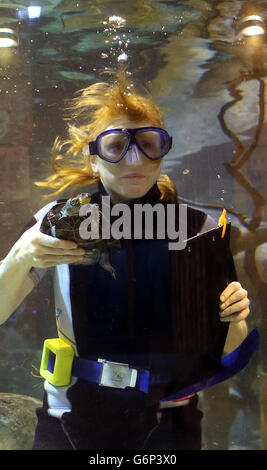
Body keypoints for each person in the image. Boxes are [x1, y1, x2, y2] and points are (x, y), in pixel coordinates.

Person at [0, 70, 250, 450]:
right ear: (94, 155)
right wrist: (20, 256)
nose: (135, 158)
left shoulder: (198, 228)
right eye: (117, 146)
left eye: (149, 143)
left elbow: (230, 349)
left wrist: (234, 315)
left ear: (163, 154)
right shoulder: (58, 220)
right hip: (69, 413)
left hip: (171, 417)